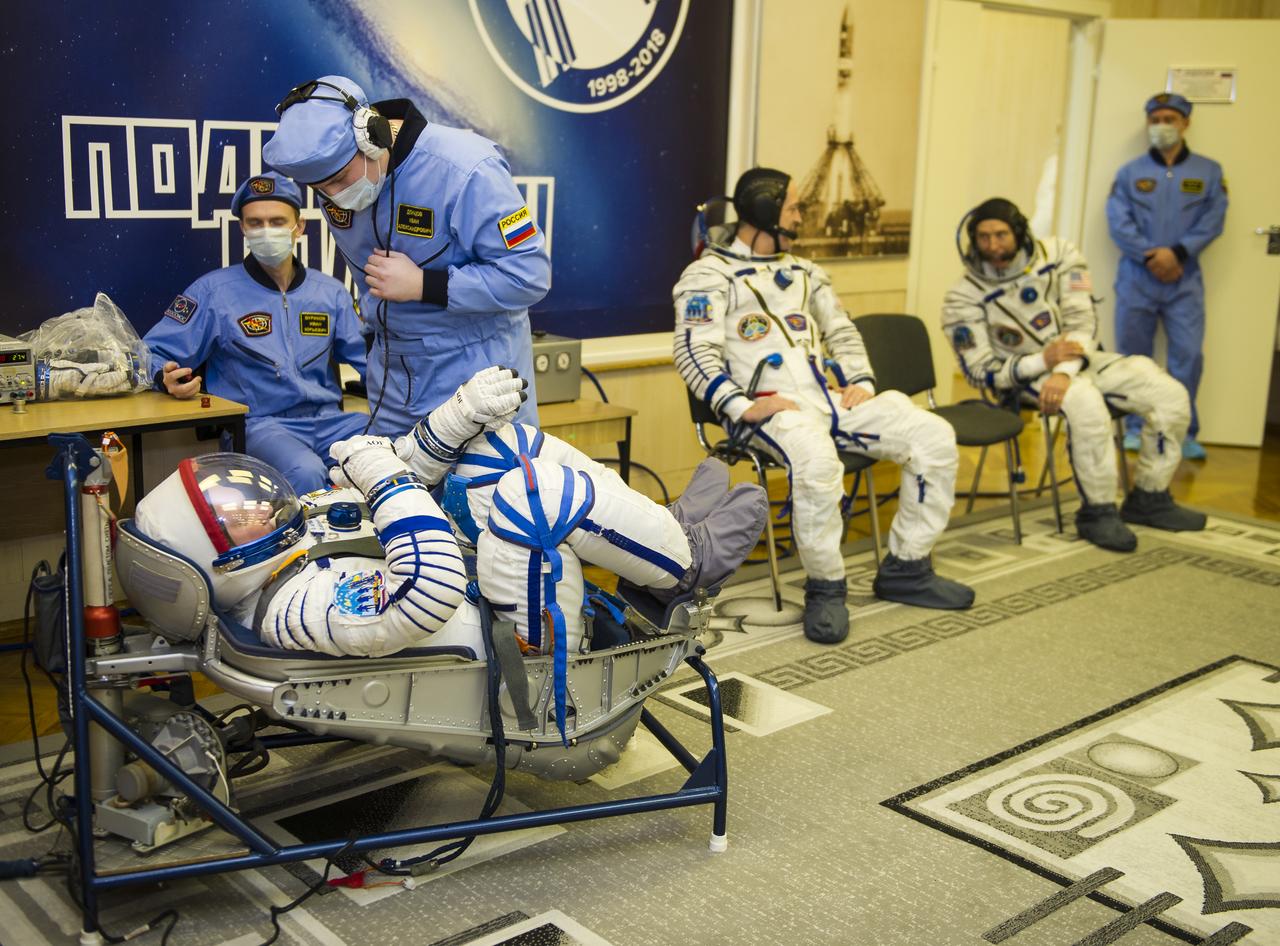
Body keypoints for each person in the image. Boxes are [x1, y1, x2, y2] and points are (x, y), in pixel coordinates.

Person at [132, 366, 766, 737]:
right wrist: (384, 480)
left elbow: (402, 484)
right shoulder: (296, 605)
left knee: (495, 444)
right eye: (229, 520)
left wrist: (455, 419)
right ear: (219, 567)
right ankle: (684, 561)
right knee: (532, 497)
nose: (251, 509)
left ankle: (658, 528)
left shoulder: (279, 557)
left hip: (489, 587)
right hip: (521, 660)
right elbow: (425, 587)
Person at [673, 167, 975, 646]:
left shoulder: (805, 273)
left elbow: (842, 330)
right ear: (768, 211)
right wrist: (740, 405)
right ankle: (826, 586)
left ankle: (907, 566)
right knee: (817, 463)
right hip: (773, 410)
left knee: (932, 436)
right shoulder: (709, 276)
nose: (800, 214)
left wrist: (859, 380)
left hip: (828, 398)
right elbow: (694, 352)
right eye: (792, 207)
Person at [262, 75, 550, 437]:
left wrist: (425, 285)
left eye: (339, 178)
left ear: (370, 135)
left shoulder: (467, 169)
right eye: (321, 189)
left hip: (477, 382)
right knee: (396, 491)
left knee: (484, 494)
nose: (335, 195)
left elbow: (529, 275)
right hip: (394, 388)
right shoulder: (335, 185)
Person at [941, 197, 1206, 552]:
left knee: (1168, 394)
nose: (992, 246)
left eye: (1001, 235)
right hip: (1021, 377)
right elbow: (981, 372)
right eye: (984, 237)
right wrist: (1042, 362)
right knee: (1085, 403)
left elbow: (1082, 322)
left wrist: (1063, 369)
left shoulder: (1060, 256)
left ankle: (1150, 497)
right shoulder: (962, 297)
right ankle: (1098, 511)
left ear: (1019, 232)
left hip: (1078, 360)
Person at [143, 172, 369, 494]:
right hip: (260, 425)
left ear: (299, 227)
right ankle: (313, 547)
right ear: (243, 229)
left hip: (330, 420)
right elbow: (152, 351)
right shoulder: (213, 292)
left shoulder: (329, 293)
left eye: (277, 221)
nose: (266, 231)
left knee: (392, 449)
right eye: (255, 223)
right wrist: (161, 376)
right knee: (306, 472)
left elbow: (372, 363)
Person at [1106, 92, 1227, 460]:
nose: (1162, 126)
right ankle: (1134, 428)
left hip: (1183, 279)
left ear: (1185, 123)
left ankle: (1181, 431)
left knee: (1187, 357)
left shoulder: (1209, 172)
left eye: (1169, 119)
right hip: (1136, 277)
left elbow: (1213, 220)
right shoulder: (1130, 173)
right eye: (1155, 119)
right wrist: (1150, 255)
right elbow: (1118, 221)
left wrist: (1176, 253)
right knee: (1132, 359)